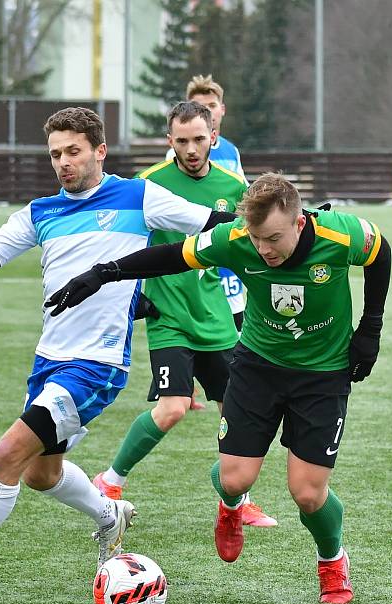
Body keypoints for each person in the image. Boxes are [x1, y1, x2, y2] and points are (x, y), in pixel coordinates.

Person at [0, 107, 235, 599]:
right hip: (50, 359)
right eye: (55, 154)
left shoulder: (139, 196)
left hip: (96, 367)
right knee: (41, 473)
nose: (63, 162)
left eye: (73, 151)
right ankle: (110, 514)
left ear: (99, 150)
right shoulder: (40, 212)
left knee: (7, 454)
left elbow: (216, 222)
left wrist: (293, 220)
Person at [46, 173, 392, 604]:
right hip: (258, 368)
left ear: (300, 223)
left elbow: (381, 254)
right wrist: (104, 273)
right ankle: (230, 507)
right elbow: (174, 255)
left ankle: (332, 561)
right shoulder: (235, 238)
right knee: (234, 481)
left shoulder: (343, 234)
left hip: (323, 375)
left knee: (306, 493)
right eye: (256, 238)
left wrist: (370, 328)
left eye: (273, 238)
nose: (263, 249)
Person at [93, 100, 276, 528]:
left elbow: (251, 244)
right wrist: (129, 293)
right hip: (168, 313)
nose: (191, 149)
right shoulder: (150, 184)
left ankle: (237, 500)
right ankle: (110, 480)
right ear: (169, 141)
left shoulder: (233, 185)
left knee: (237, 412)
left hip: (213, 313)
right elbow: (125, 242)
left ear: (213, 137)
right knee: (173, 407)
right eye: (182, 141)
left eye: (199, 139)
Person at [179, 74, 248, 332]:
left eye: (211, 106)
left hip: (226, 247)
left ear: (222, 110)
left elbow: (242, 195)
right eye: (198, 107)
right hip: (194, 248)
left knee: (234, 323)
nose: (206, 112)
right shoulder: (178, 153)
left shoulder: (230, 151)